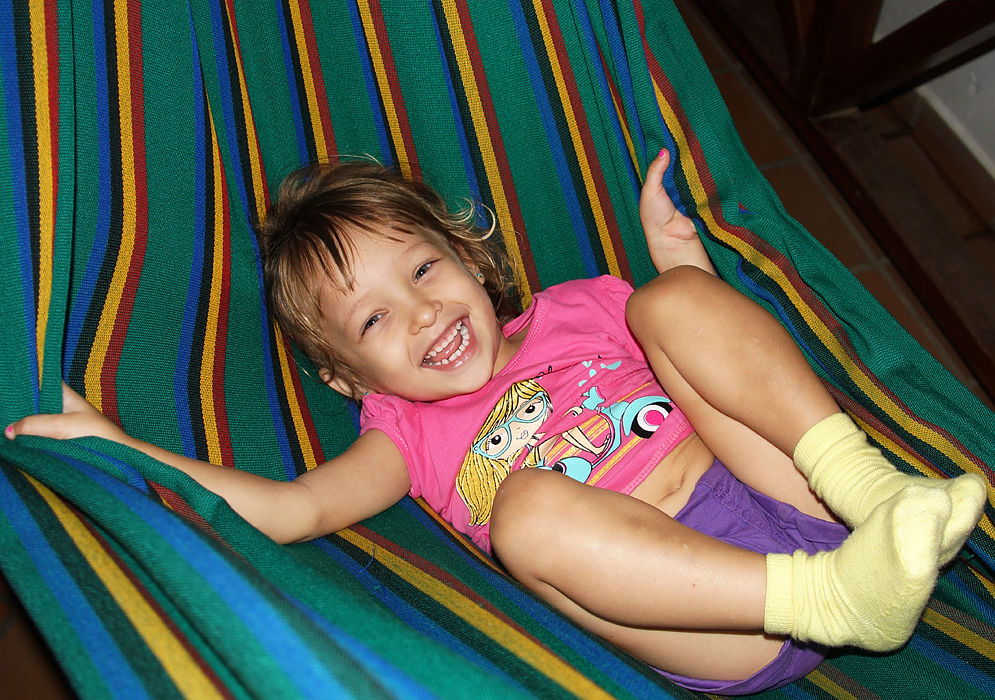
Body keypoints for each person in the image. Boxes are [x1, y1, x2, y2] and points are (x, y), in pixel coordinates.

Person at [7, 152, 987, 695]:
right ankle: (836, 598)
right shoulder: (405, 436)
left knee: (665, 307)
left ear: (470, 257)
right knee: (524, 513)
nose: (423, 314)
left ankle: (871, 492)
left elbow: (722, 369)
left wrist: (675, 267)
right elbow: (293, 508)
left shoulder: (578, 306)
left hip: (792, 496)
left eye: (423, 270)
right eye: (374, 321)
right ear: (348, 379)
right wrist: (121, 447)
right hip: (731, 618)